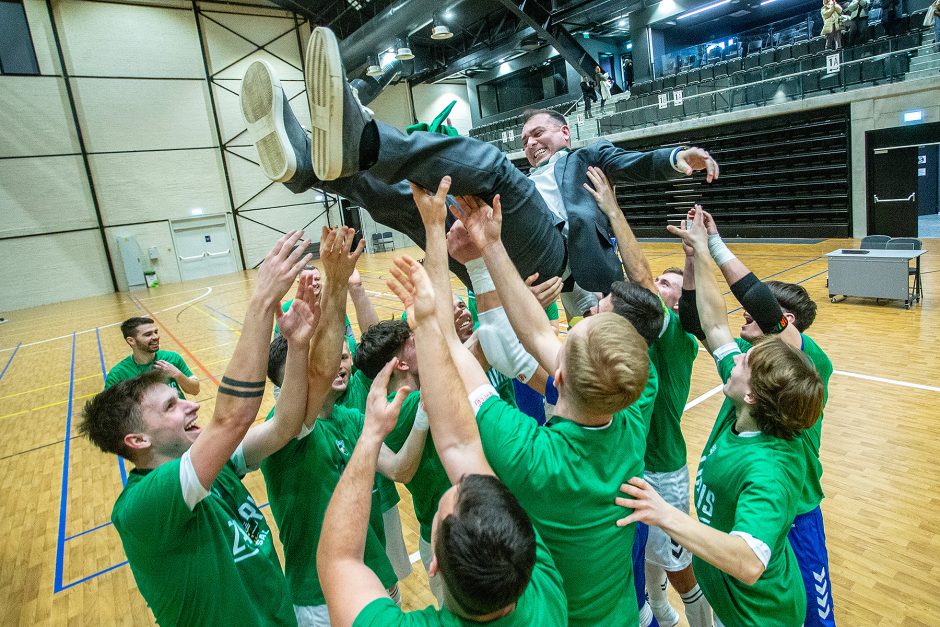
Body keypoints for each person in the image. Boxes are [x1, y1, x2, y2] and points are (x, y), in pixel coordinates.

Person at [239, 32, 718, 300]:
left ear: (566, 133)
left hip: (553, 259)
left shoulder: (584, 159)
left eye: (540, 134)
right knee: (414, 202)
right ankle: (309, 169)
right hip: (484, 254)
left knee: (490, 168)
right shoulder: (527, 179)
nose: (531, 143)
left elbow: (636, 163)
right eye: (526, 137)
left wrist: (680, 158)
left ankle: (362, 142)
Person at [396, 176, 653, 626]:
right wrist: (490, 245)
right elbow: (536, 331)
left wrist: (433, 232)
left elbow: (453, 354)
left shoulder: (535, 456)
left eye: (572, 332)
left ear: (557, 376)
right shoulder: (633, 396)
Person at [79, 229, 323, 626]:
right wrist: (262, 302)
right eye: (172, 405)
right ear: (138, 440)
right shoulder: (144, 506)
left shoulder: (214, 466)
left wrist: (297, 346)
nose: (192, 404)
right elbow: (232, 417)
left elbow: (283, 426)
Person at [316, 268, 568, 625]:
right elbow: (462, 377)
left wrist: (371, 434)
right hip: (489, 534)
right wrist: (513, 314)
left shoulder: (388, 412)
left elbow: (338, 561)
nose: (468, 483)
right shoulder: (549, 596)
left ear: (435, 562)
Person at [618, 208, 824, 627]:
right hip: (731, 602)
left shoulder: (769, 468)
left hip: (758, 616)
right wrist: (699, 252)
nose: (735, 358)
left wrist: (664, 514)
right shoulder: (749, 399)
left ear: (751, 392)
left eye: (745, 361)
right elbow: (714, 326)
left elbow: (748, 562)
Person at [677, 207, 836, 627]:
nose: (745, 310)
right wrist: (696, 256)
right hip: (744, 514)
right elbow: (705, 323)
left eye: (759, 309)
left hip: (795, 514)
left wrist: (714, 244)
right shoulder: (746, 375)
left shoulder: (808, 363)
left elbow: (762, 307)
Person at [259, 238, 429, 626]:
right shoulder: (282, 434)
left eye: (340, 356)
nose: (335, 365)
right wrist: (336, 287)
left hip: (377, 581)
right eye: (322, 360)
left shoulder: (352, 419)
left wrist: (425, 416)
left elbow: (401, 469)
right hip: (320, 597)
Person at [583, 168, 712, 627]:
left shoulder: (678, 340)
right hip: (630, 463)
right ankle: (661, 613)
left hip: (662, 467)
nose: (657, 287)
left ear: (676, 305)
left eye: (667, 286)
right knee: (651, 549)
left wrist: (613, 211)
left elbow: (636, 276)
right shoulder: (631, 332)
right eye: (660, 282)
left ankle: (702, 620)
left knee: (677, 562)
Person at [105, 317, 199, 398]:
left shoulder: (172, 358)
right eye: (148, 334)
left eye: (156, 332)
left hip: (182, 417)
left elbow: (195, 390)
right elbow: (109, 410)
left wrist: (177, 374)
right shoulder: (118, 374)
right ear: (131, 341)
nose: (156, 337)